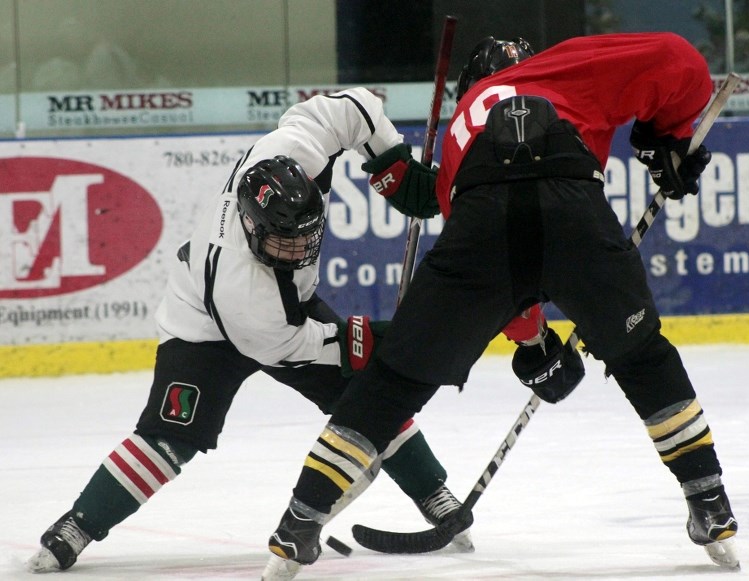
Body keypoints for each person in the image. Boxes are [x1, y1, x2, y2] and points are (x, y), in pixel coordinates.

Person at [261, 32, 739, 578]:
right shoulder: (563, 71)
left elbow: (496, 263)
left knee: (393, 381)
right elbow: (679, 60)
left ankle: (298, 524)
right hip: (571, 201)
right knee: (642, 356)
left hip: (482, 211)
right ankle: (710, 503)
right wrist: (668, 141)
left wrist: (532, 339)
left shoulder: (462, 127)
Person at [26, 87, 474, 574]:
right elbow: (293, 345)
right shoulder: (247, 292)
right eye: (283, 241)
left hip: (287, 312)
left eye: (305, 236)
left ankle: (434, 494)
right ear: (251, 225)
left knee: (369, 397)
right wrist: (366, 343)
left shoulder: (291, 150)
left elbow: (355, 107)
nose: (298, 250)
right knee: (171, 434)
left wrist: (394, 166)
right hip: (202, 324)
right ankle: (76, 525)